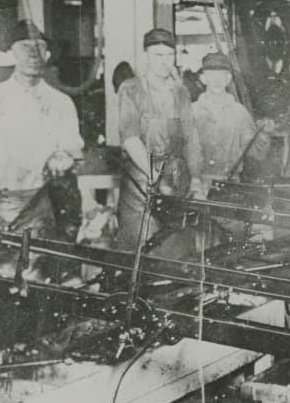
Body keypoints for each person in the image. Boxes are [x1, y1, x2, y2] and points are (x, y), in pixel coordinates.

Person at [0, 20, 91, 261]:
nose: (32, 53)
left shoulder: (61, 104)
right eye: (24, 46)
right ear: (10, 54)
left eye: (39, 47)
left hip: (33, 209)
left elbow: (74, 160)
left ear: (48, 54)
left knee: (32, 285)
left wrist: (88, 203)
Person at [116, 28, 196, 250]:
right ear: (147, 56)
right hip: (140, 187)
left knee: (175, 250)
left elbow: (191, 138)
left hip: (175, 184)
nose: (164, 61)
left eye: (169, 55)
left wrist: (196, 179)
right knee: (143, 250)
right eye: (157, 55)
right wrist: (154, 174)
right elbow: (130, 138)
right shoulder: (131, 89)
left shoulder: (181, 92)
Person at [187, 52, 273, 199]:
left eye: (223, 75)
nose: (217, 80)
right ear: (203, 78)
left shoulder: (239, 113)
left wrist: (263, 135)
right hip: (196, 187)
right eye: (212, 74)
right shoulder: (191, 111)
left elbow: (256, 153)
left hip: (230, 188)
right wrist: (194, 185)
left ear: (229, 79)